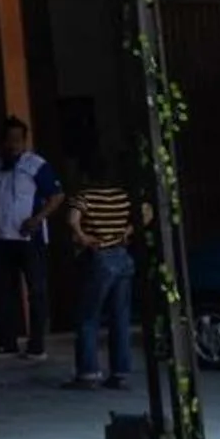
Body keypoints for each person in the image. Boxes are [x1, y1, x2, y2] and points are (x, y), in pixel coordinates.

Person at [0, 115, 63, 360]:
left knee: (36, 291)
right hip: (1, 236)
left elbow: (57, 196)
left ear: (24, 141)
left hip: (29, 239)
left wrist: (38, 219)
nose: (13, 144)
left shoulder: (36, 165)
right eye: (9, 139)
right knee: (3, 291)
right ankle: (7, 342)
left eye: (18, 139)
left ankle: (36, 344)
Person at [64, 157, 138, 391]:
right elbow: (146, 212)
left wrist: (83, 237)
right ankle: (120, 373)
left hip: (99, 258)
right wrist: (127, 231)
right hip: (122, 257)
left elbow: (72, 219)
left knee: (88, 317)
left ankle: (88, 373)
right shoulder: (122, 196)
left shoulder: (84, 196)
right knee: (120, 317)